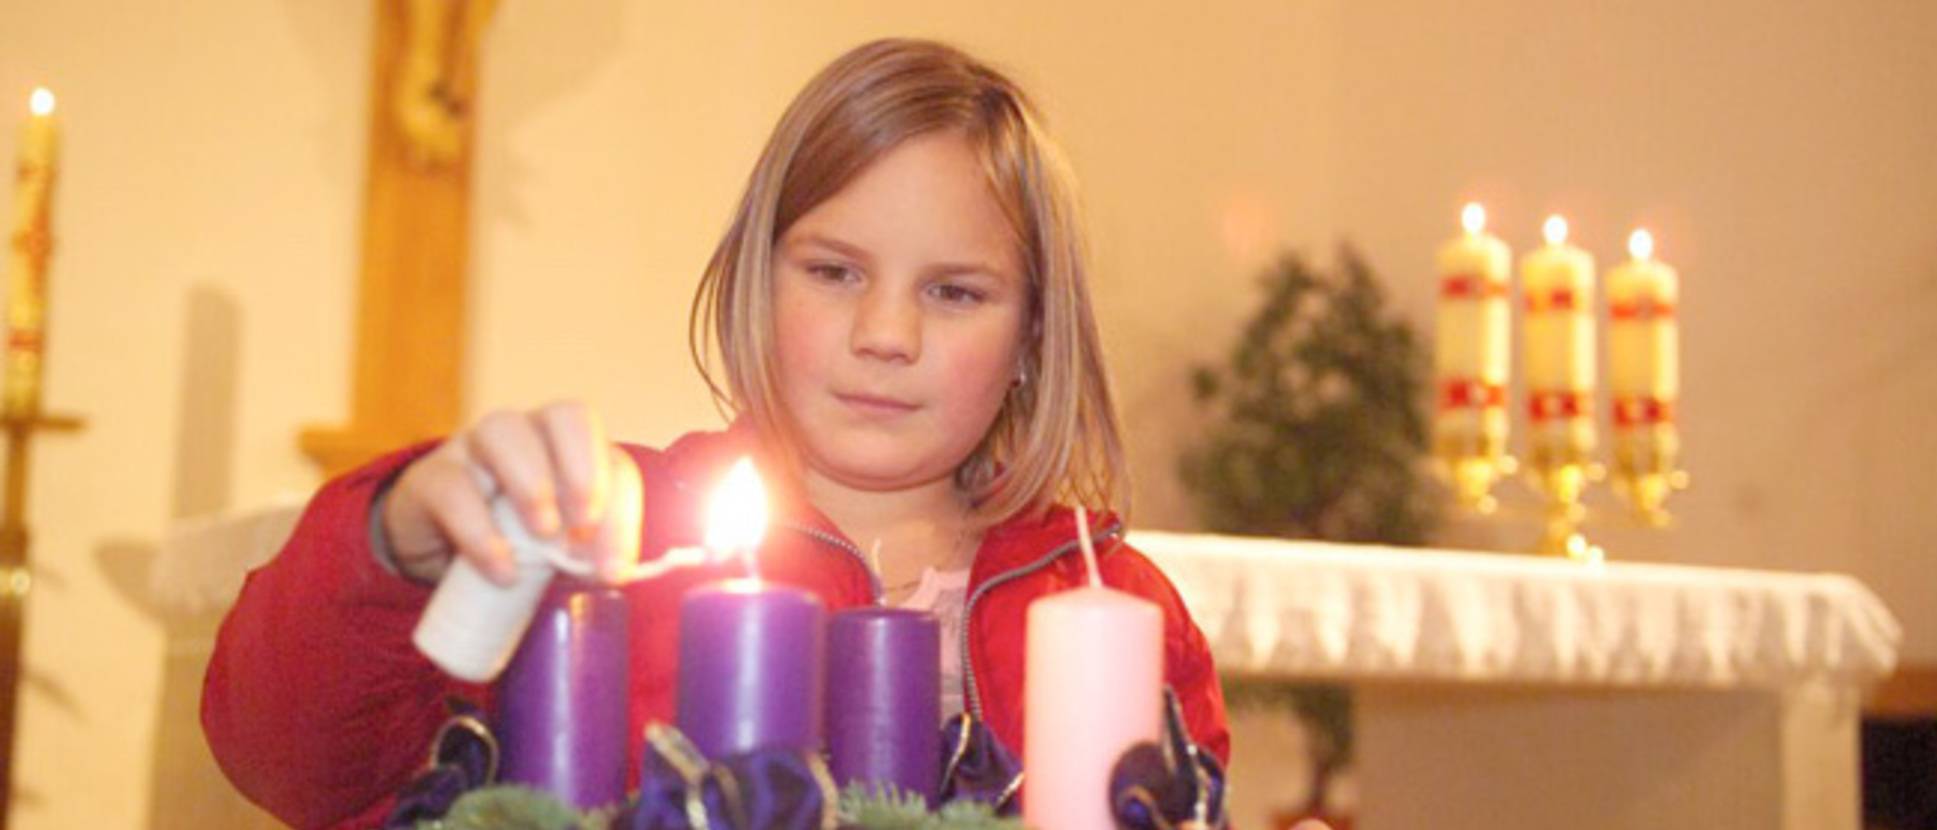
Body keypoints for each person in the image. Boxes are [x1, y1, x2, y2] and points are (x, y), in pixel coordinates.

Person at [202, 37, 1229, 830]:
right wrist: (397, 543)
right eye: (833, 271)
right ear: (755, 279)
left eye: (954, 291)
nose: (885, 334)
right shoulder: (606, 547)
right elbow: (290, 759)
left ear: (1032, 335)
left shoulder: (1115, 603)